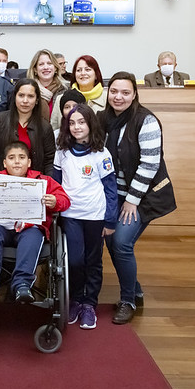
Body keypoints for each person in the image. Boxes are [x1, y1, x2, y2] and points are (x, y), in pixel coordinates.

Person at [99, 71, 177, 324]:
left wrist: (132, 200)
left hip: (143, 197)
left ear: (134, 95)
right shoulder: (104, 119)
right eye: (114, 92)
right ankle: (135, 288)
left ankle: (128, 300)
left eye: (125, 92)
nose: (118, 97)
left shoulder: (146, 120)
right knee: (110, 242)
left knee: (121, 242)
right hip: (117, 195)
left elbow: (149, 165)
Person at [0, 141, 70, 302]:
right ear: (5, 162)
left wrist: (55, 201)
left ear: (29, 162)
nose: (17, 161)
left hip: (28, 229)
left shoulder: (43, 180)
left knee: (33, 237)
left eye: (21, 157)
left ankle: (22, 285)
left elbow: (64, 199)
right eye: (12, 158)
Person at [54, 104, 117, 329]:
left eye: (81, 122)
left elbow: (111, 189)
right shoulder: (61, 151)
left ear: (90, 124)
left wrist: (110, 220)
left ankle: (89, 304)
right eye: (72, 123)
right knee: (74, 260)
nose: (76, 127)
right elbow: (56, 184)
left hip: (95, 215)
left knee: (93, 261)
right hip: (70, 215)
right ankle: (76, 300)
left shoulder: (102, 153)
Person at [0, 78, 55, 176]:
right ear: (14, 97)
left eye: (30, 96)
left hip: (34, 183)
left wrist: (47, 185)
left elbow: (49, 161)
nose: (25, 101)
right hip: (1, 183)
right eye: (21, 95)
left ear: (37, 100)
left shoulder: (45, 127)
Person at [26, 49, 65, 126]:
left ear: (56, 68)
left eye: (49, 63)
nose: (46, 67)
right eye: (41, 64)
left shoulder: (65, 90)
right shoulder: (27, 90)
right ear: (35, 70)